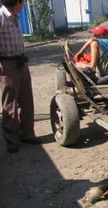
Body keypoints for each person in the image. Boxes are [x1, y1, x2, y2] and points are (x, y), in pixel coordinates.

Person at [0, 0, 41, 153]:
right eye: (22, 1)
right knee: (10, 103)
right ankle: (11, 139)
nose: (23, 4)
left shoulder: (14, 16)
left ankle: (27, 133)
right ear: (16, 2)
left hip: (21, 62)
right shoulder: (1, 17)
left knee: (27, 100)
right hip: (8, 65)